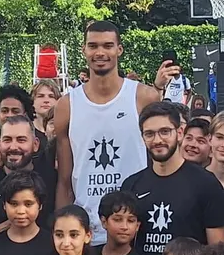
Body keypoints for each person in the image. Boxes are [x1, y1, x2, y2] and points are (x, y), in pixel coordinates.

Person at [55, 22, 157, 243]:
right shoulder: (66, 105)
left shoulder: (144, 97)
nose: (100, 52)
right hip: (88, 231)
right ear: (84, 50)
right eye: (93, 46)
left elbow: (158, 165)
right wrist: (62, 230)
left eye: (108, 45)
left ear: (119, 49)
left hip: (135, 227)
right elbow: (64, 180)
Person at [122, 101, 224, 255]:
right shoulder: (131, 185)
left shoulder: (206, 184)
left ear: (179, 133)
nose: (157, 140)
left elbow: (217, 254)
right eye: (149, 134)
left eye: (165, 132)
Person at [91, 190, 141, 255]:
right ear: (104, 222)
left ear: (137, 226)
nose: (124, 227)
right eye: (118, 220)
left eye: (131, 221)